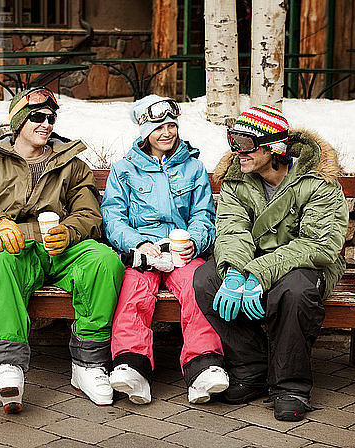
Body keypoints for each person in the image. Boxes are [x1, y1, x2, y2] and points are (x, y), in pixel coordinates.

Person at [0, 87, 124, 413]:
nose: (46, 123)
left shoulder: (72, 165)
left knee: (104, 260)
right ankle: (6, 365)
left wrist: (69, 231)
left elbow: (89, 213)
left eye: (51, 117)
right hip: (18, 246)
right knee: (2, 262)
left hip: (63, 249)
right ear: (19, 122)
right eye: (37, 117)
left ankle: (88, 365)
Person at [193, 105, 348, 421]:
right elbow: (232, 229)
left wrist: (257, 272)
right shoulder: (238, 179)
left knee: (293, 292)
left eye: (246, 143)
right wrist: (237, 271)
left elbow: (317, 245)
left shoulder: (317, 181)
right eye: (232, 140)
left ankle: (290, 385)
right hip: (254, 263)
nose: (238, 152)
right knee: (207, 280)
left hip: (306, 264)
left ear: (275, 146)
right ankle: (252, 366)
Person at [100, 95, 229, 405]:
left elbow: (203, 214)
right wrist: (137, 243)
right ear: (145, 132)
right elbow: (113, 217)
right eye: (159, 127)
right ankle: (133, 365)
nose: (167, 133)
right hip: (144, 250)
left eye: (171, 125)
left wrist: (192, 241)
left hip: (181, 249)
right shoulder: (124, 169)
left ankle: (204, 366)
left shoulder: (193, 167)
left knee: (197, 285)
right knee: (134, 289)